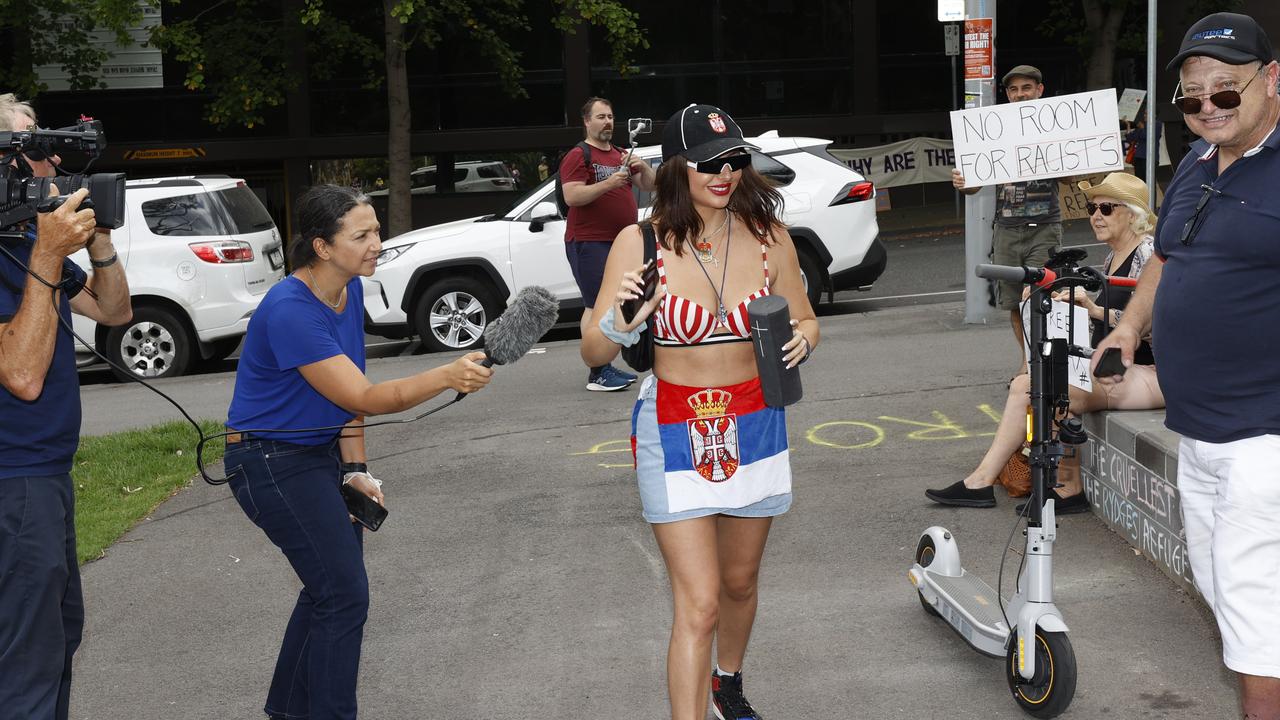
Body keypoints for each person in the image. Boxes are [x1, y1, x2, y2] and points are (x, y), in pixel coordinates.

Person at [581, 103, 818, 720]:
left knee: (739, 584)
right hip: (673, 426)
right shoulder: (640, 242)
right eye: (710, 164)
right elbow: (594, 348)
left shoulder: (770, 238)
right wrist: (621, 319)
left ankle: (727, 683)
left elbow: (808, 318)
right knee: (701, 602)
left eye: (735, 160)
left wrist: (805, 339)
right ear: (676, 168)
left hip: (756, 420)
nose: (726, 174)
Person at [224, 185, 493, 720]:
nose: (377, 243)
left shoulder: (347, 293)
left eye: (376, 230)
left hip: (315, 457)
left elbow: (348, 401)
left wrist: (356, 469)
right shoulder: (289, 310)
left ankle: (291, 710)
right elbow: (365, 396)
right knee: (343, 593)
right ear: (322, 247)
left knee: (329, 589)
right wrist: (445, 372)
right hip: (269, 462)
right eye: (362, 234)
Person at [1092, 13, 1280, 719]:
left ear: (1271, 79)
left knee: (1254, 618)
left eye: (1225, 93)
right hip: (1198, 433)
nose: (1207, 109)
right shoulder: (1196, 168)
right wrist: (1130, 328)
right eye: (1193, 98)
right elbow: (1168, 259)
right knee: (1228, 595)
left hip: (1264, 437)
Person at [0, 94, 132, 720]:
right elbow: (21, 376)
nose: (50, 161)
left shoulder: (22, 240)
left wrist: (99, 236)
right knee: (26, 666)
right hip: (12, 482)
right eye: (30, 147)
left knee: (57, 641)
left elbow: (113, 312)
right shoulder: (30, 252)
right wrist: (48, 254)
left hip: (44, 477)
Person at [927, 172, 1163, 511]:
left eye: (1106, 208)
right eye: (1091, 207)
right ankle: (981, 481)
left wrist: (1092, 308)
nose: (1095, 215)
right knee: (1027, 383)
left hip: (1151, 369)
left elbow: (1148, 324)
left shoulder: (1148, 254)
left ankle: (1064, 488)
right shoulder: (1114, 256)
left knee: (1051, 386)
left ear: (1133, 214)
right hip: (1118, 365)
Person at [953, 64, 1063, 368]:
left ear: (1040, 91)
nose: (1019, 94)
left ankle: (1046, 362)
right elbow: (974, 186)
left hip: (1045, 227)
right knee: (1014, 302)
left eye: (1026, 88)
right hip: (1006, 229)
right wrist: (963, 183)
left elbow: (1071, 178)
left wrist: (1060, 154)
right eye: (1013, 90)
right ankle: (1028, 361)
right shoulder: (994, 130)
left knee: (1043, 298)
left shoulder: (1056, 127)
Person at [562, 96, 656, 391]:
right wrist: (610, 183)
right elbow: (572, 196)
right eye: (600, 117)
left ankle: (607, 363)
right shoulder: (578, 155)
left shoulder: (621, 154)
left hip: (621, 242)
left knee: (619, 299)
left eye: (611, 117)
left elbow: (650, 185)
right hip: (590, 242)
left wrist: (642, 166)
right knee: (596, 305)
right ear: (587, 122)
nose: (607, 122)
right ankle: (598, 371)